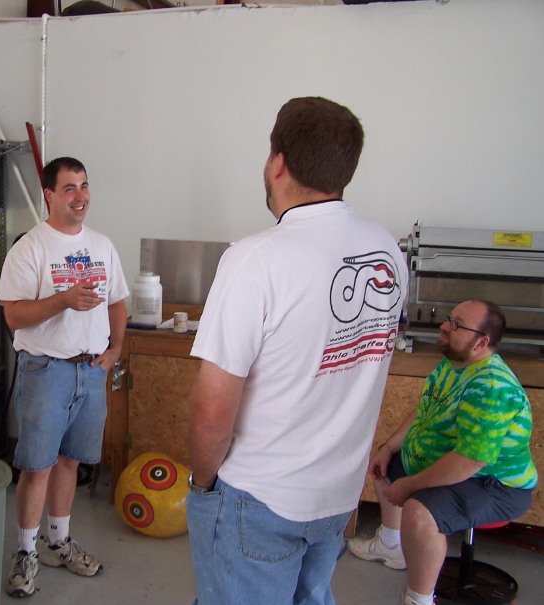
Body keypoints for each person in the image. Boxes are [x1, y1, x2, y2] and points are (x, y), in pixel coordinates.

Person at [187, 96, 408, 605]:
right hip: (335, 496)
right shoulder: (387, 251)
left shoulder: (255, 260)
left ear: (278, 162)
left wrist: (203, 487)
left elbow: (212, 413)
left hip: (259, 498)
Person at [0, 156, 128, 598]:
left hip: (90, 372)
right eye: (69, 188)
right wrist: (63, 300)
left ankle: (58, 541)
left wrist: (114, 351)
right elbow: (14, 315)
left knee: (71, 461)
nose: (80, 196)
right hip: (45, 370)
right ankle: (26, 553)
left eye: (85, 186)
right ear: (49, 195)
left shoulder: (103, 246)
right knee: (38, 466)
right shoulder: (30, 248)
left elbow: (117, 302)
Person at [348, 300, 537, 605]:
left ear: (482, 342)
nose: (444, 326)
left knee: (420, 513)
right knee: (385, 466)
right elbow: (424, 410)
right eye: (449, 319)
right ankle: (391, 546)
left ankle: (419, 599)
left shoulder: (490, 387)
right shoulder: (453, 365)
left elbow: (469, 461)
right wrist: (388, 449)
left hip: (492, 484)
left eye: (456, 325)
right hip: (454, 465)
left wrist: (410, 485)